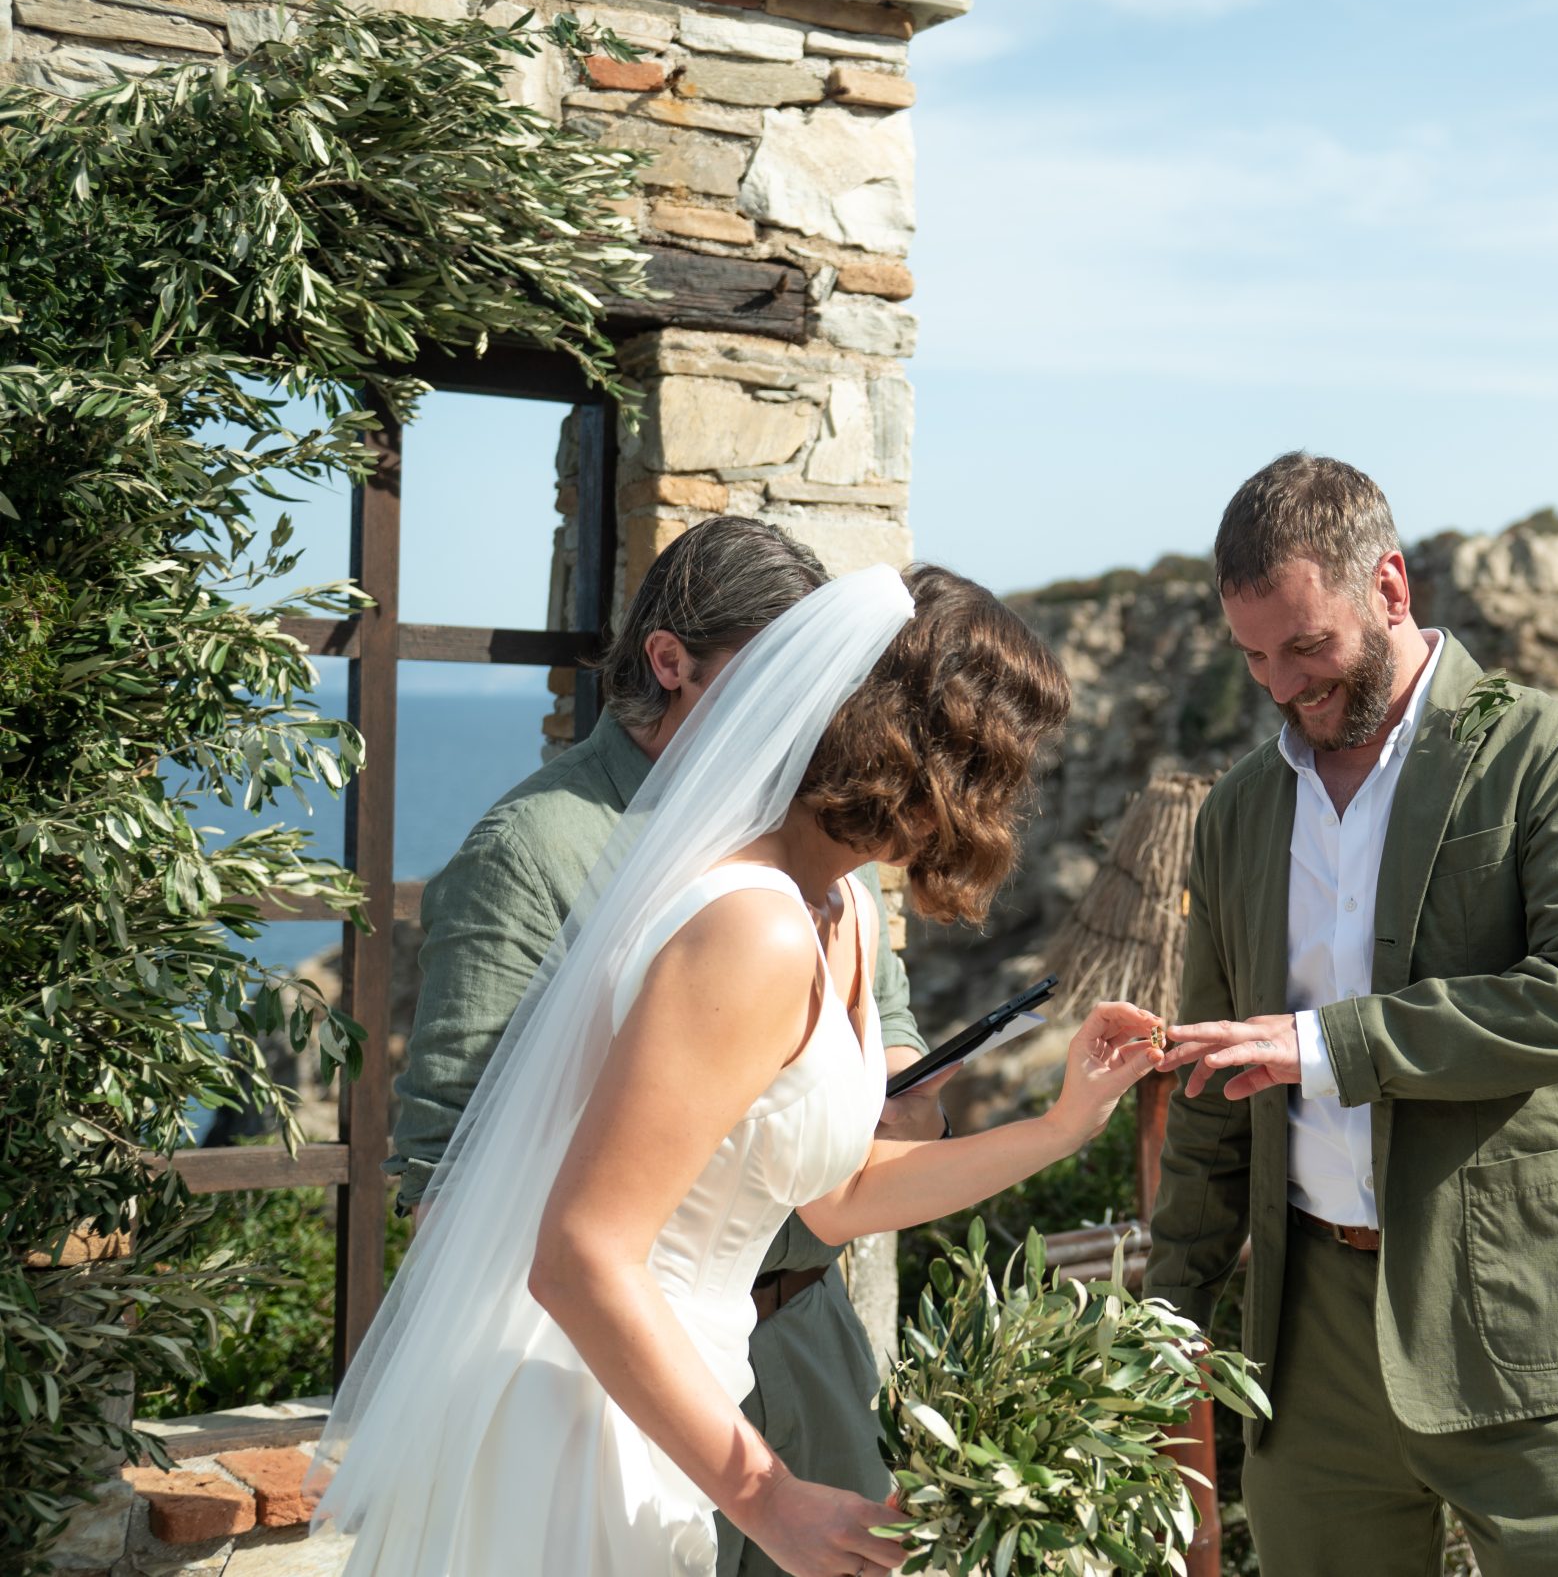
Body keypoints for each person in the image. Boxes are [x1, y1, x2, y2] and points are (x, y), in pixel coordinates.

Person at [318, 564, 1167, 1577]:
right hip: (586, 1414)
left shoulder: (839, 910)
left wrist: (1061, 1125)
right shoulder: (750, 928)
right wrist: (767, 1494)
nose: (1000, 807)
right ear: (924, 755)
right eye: (993, 769)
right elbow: (579, 1252)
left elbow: (839, 1194)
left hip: (689, 1396)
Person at [1149, 454, 1558, 1576]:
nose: (1285, 687)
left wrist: (1329, 1042)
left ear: (1390, 587)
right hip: (1309, 1346)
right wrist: (1171, 1306)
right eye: (1254, 658)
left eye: (1309, 647)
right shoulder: (1238, 810)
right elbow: (1208, 1089)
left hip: (1524, 1314)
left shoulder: (1547, 753)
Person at [386, 517, 941, 1577]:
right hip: (606, 1384)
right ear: (669, 661)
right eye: (780, 674)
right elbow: (446, 1175)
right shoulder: (533, 851)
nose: (813, 714)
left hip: (810, 1342)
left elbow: (893, 1056)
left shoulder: (826, 840)